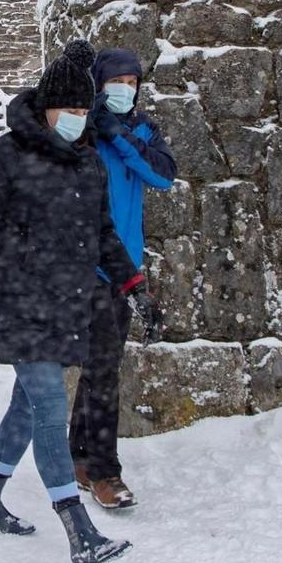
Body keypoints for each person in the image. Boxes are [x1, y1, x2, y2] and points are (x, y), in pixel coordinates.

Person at [0, 39, 160, 563]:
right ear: (46, 107)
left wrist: (133, 284)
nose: (78, 121)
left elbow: (104, 234)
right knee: (52, 408)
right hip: (18, 299)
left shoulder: (86, 163)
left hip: (68, 300)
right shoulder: (4, 158)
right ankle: (79, 531)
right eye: (70, 111)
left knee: (26, 406)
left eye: (85, 112)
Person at [70, 46, 178, 510]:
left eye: (133, 82)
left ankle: (79, 454)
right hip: (85, 263)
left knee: (101, 366)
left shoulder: (142, 129)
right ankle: (105, 472)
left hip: (125, 267)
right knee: (104, 368)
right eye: (116, 80)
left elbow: (163, 176)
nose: (125, 89)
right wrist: (99, 128)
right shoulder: (82, 129)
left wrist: (120, 136)